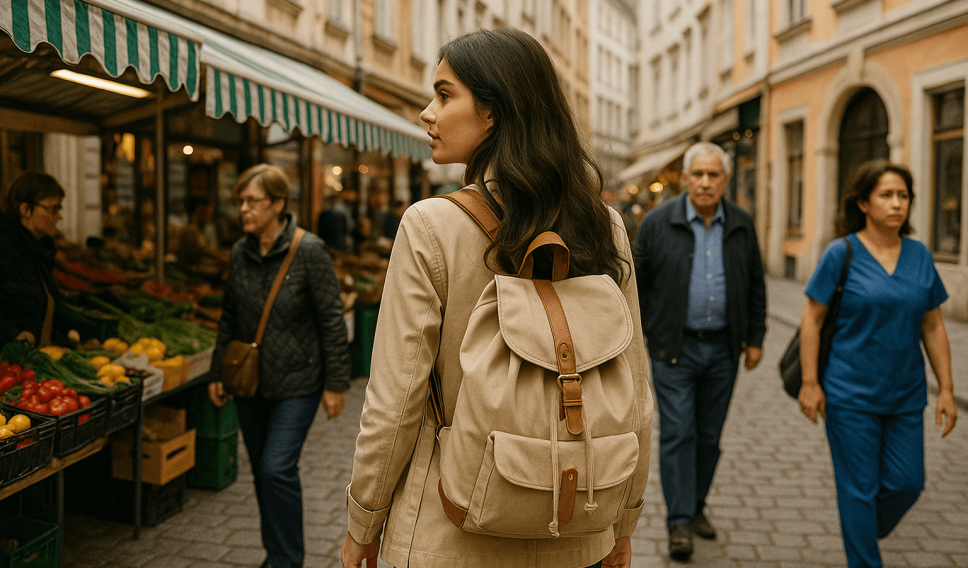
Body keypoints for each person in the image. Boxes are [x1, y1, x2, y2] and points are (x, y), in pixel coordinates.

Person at [341, 28, 652, 568]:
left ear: (491, 112)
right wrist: (623, 522)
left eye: (443, 94)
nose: (426, 113)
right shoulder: (603, 226)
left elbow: (394, 403)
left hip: (450, 526)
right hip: (578, 521)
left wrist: (362, 523)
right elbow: (636, 394)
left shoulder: (429, 226)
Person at [798, 160, 957, 568]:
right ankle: (864, 555)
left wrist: (949, 390)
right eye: (886, 195)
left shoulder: (920, 255)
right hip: (850, 394)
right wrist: (811, 382)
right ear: (864, 203)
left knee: (908, 483)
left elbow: (933, 324)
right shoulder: (842, 252)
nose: (896, 204)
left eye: (903, 196)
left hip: (906, 394)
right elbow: (812, 319)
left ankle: (862, 525)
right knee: (858, 489)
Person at [207, 164, 351, 568]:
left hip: (298, 383)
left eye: (252, 201)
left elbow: (331, 320)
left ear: (277, 204)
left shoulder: (309, 250)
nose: (244, 210)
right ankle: (276, 555)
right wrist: (218, 370)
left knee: (275, 469)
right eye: (240, 202)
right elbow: (230, 316)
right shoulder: (240, 252)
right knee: (262, 474)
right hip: (249, 383)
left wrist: (336, 383)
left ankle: (287, 560)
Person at [632, 141, 766, 560]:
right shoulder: (657, 223)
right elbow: (636, 284)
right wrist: (643, 335)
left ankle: (696, 506)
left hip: (724, 349)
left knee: (709, 437)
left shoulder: (741, 224)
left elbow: (756, 284)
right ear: (686, 179)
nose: (706, 182)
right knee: (677, 433)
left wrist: (756, 338)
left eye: (714, 175)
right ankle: (679, 523)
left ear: (725, 180)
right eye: (699, 175)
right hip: (674, 348)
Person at [0, 171, 68, 347]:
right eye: (52, 208)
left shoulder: (35, 250)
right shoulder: (7, 249)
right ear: (25, 210)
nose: (58, 216)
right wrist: (13, 333)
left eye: (58, 208)